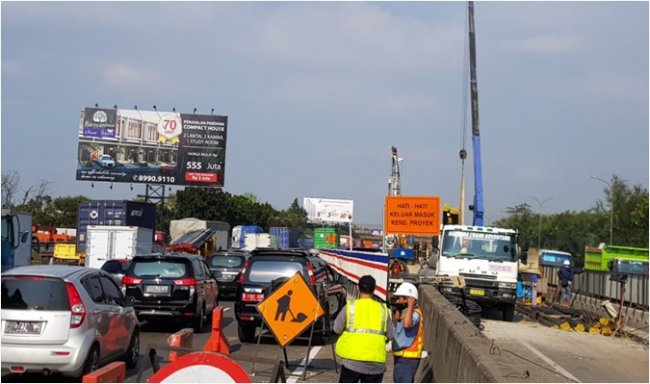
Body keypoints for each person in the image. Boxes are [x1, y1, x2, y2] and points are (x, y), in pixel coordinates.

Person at [334, 275, 394, 383]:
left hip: (351, 361)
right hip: (375, 362)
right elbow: (391, 334)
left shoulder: (350, 307)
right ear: (374, 289)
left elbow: (336, 329)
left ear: (358, 288)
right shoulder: (383, 310)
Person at [391, 282, 424, 383]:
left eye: (399, 298)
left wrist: (410, 306)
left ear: (408, 299)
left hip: (408, 358)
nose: (397, 300)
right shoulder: (406, 312)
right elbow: (397, 319)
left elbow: (407, 325)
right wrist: (399, 308)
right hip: (402, 356)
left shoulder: (415, 314)